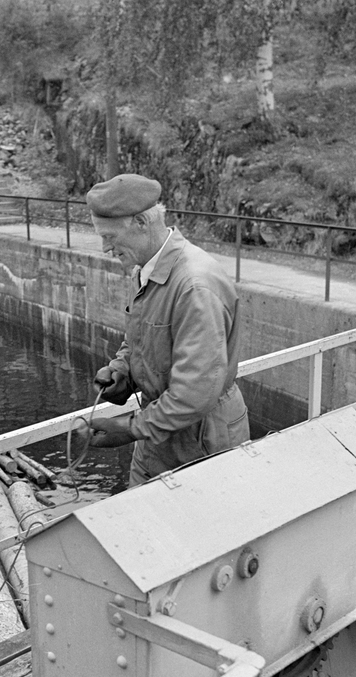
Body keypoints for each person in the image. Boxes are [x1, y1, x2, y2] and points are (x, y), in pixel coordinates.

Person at [76, 173, 250, 486]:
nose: (104, 248)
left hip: (202, 440)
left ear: (141, 222)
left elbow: (194, 394)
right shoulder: (146, 268)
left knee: (198, 529)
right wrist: (122, 371)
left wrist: (129, 429)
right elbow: (140, 339)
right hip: (158, 432)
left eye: (110, 237)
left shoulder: (195, 287)